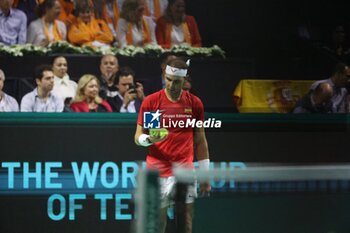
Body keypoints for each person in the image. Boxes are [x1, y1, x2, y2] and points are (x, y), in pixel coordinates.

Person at [134, 58, 210, 233]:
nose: (171, 85)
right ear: (164, 76)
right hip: (158, 172)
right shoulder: (152, 102)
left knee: (186, 224)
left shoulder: (195, 104)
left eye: (176, 81)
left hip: (185, 172)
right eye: (168, 79)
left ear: (184, 80)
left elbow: (200, 140)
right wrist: (149, 140)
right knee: (158, 225)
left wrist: (205, 175)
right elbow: (138, 136)